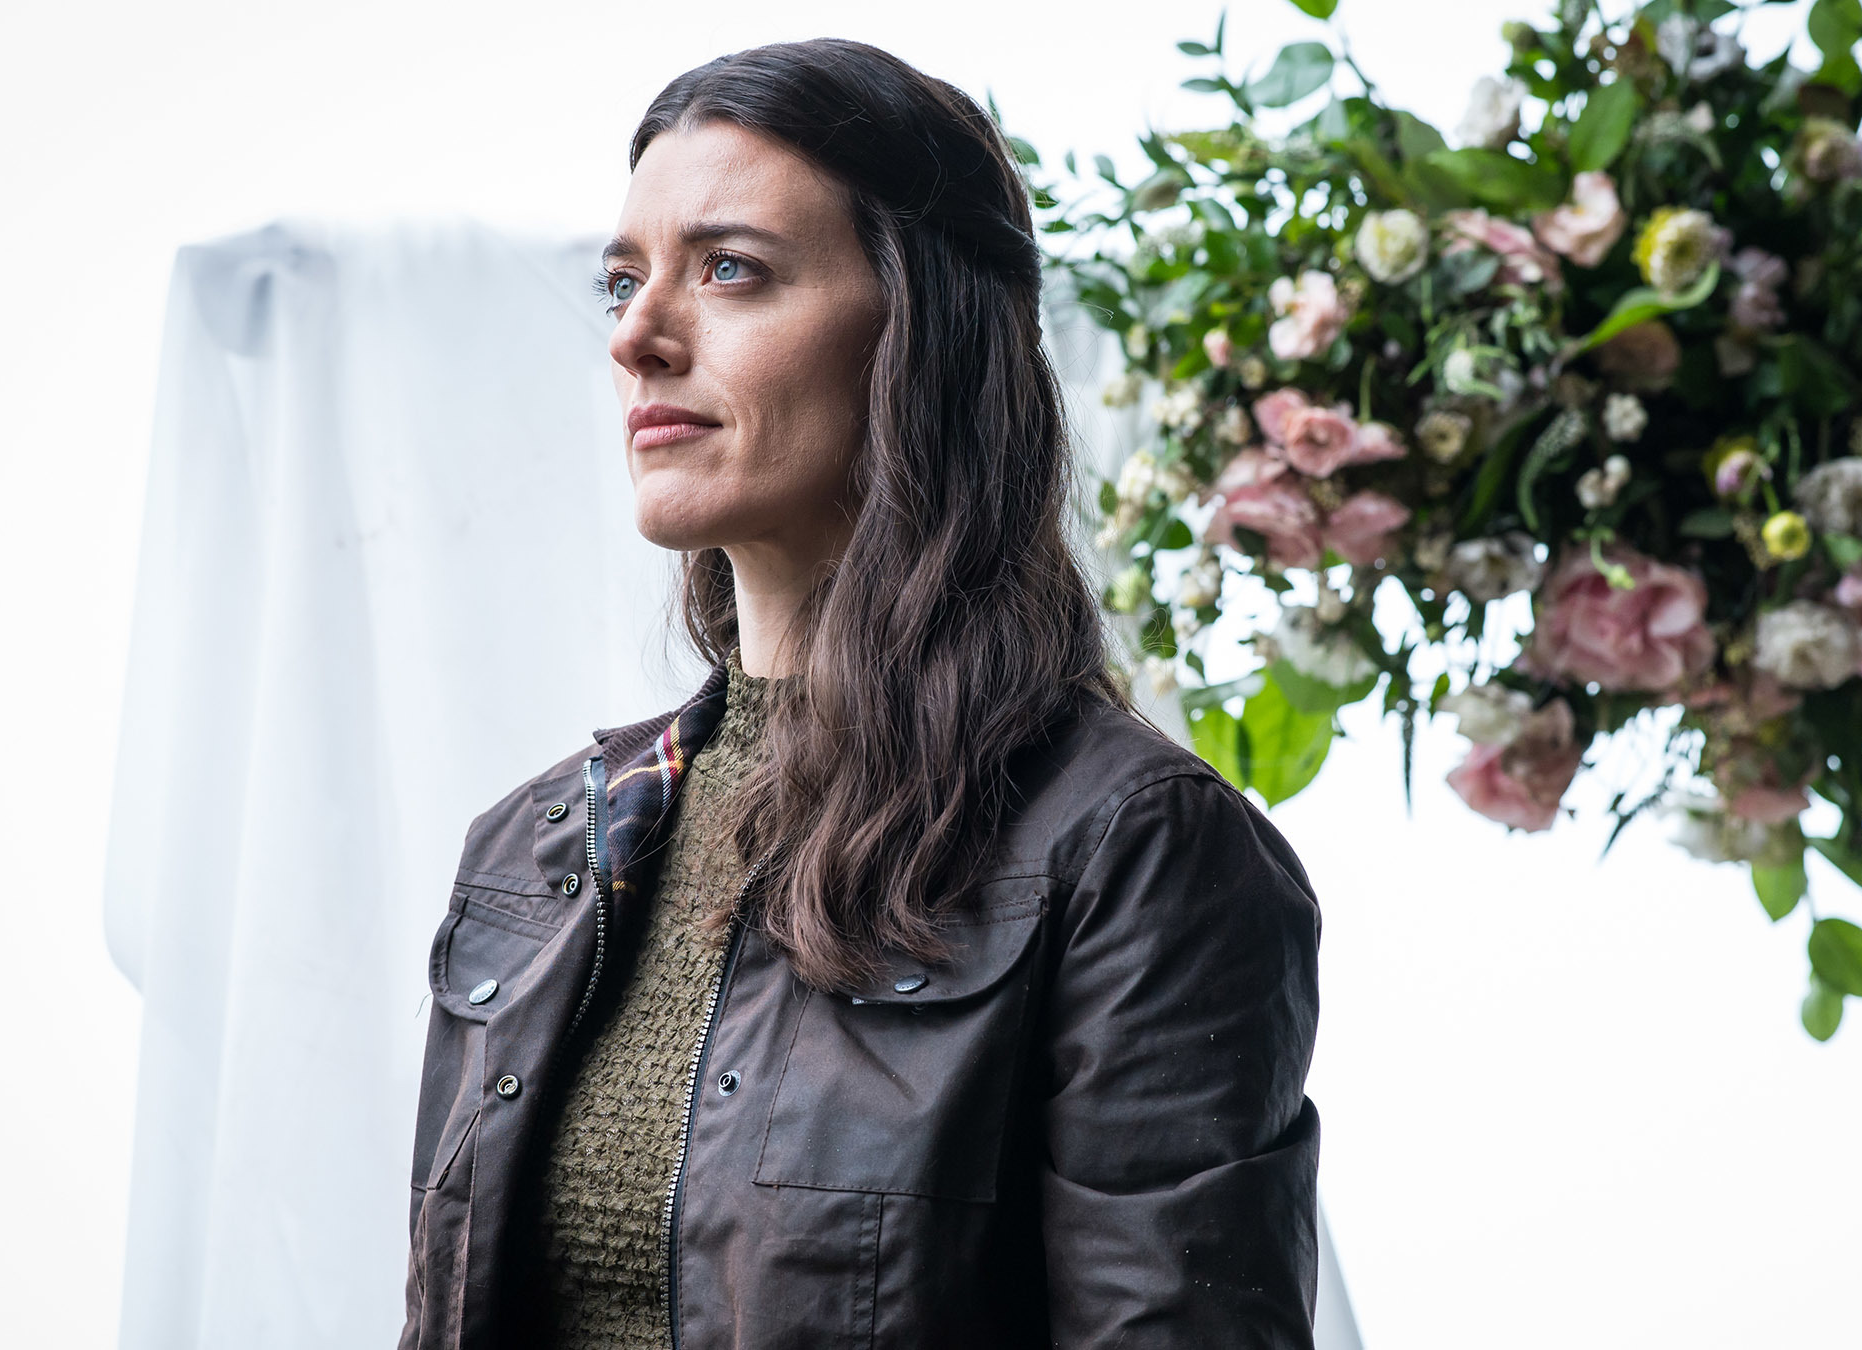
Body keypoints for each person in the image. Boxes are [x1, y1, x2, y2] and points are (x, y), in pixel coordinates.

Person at [395, 39, 1323, 1350]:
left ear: (920, 328)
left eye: (730, 269)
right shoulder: (531, 850)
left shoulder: (1131, 850)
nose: (638, 336)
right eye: (621, 280)